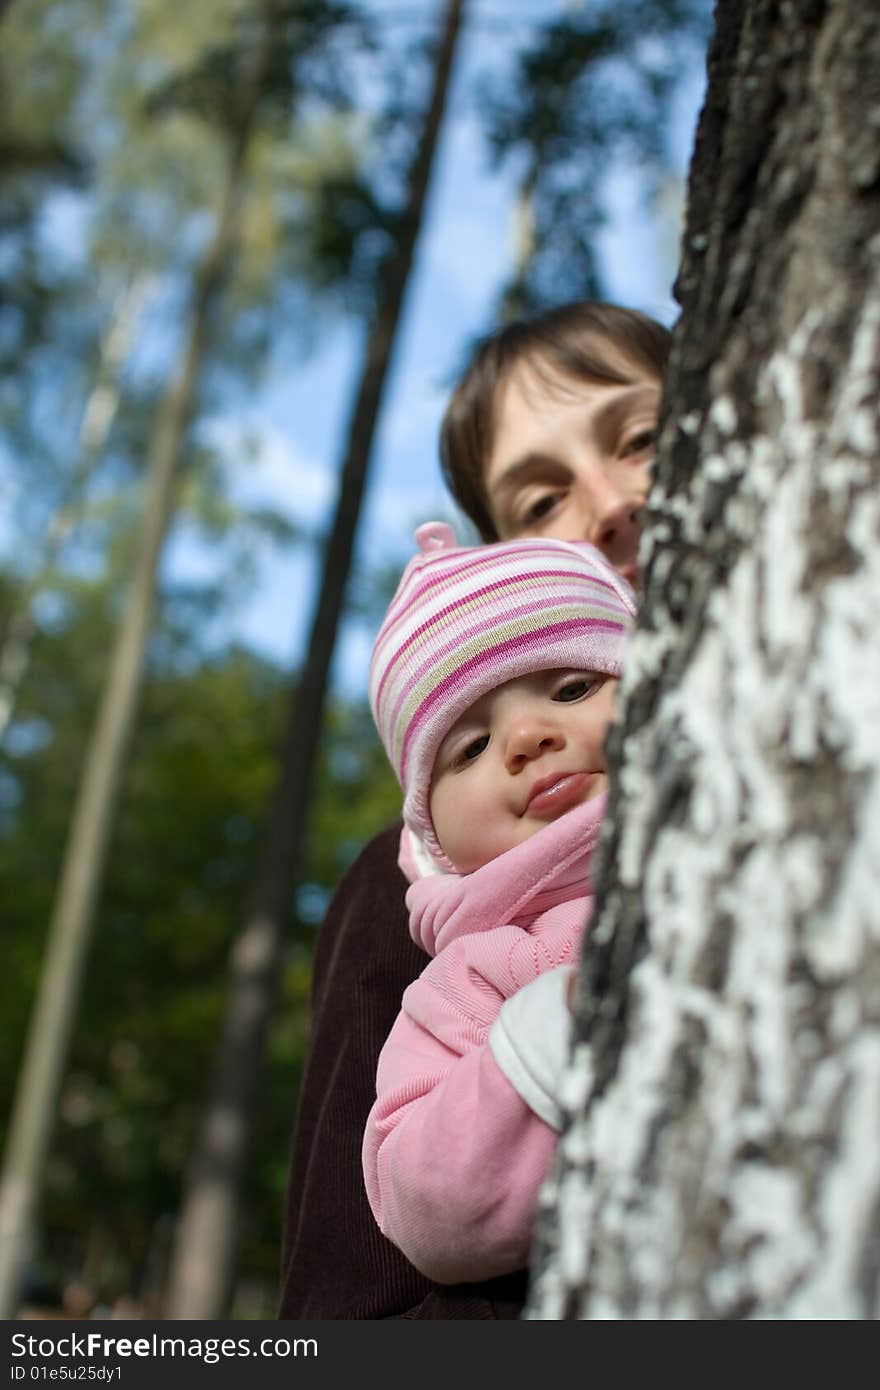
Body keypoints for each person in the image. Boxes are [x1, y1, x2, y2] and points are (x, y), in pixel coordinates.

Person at [279, 301, 670, 1319]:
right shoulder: (418, 910)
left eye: (642, 439)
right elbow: (357, 1291)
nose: (608, 502)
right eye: (539, 504)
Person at [362, 524, 636, 1282]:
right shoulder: (471, 979)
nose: (525, 735)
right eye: (470, 747)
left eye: (574, 687)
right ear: (433, 841)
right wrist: (559, 1026)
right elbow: (422, 1201)